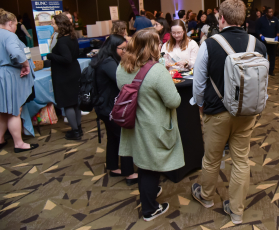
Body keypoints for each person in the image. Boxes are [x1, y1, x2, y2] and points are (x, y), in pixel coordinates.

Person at [190, 0, 267, 225]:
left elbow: (199, 83)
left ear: (221, 18)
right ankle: (237, 211)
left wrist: (201, 104)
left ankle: (206, 197)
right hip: (247, 113)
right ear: (243, 18)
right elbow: (263, 81)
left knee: (212, 159)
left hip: (217, 112)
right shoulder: (258, 44)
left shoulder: (210, 44)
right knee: (241, 160)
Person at [116, 29, 183, 221]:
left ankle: (151, 192)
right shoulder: (156, 70)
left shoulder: (122, 66)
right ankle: (150, 209)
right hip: (152, 125)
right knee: (150, 168)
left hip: (131, 123)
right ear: (153, 46)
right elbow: (173, 101)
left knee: (143, 163)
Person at [91, 34, 138, 185]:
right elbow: (122, 81)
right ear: (113, 47)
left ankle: (113, 167)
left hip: (104, 106)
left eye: (126, 48)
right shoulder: (108, 63)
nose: (124, 51)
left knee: (113, 138)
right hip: (109, 107)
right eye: (122, 49)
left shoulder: (103, 59)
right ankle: (129, 173)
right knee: (124, 138)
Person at [0, 9, 38, 153]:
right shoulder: (9, 36)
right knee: (15, 111)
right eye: (16, 25)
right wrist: (26, 64)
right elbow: (15, 53)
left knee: (3, 110)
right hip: (9, 76)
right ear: (10, 23)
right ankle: (19, 143)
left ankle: (0, 139)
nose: (16, 28)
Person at [47, 14, 82, 140]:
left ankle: (75, 131)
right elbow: (75, 55)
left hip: (64, 75)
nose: (52, 25)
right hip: (74, 72)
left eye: (53, 23)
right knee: (76, 103)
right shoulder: (72, 37)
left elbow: (66, 59)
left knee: (68, 104)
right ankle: (79, 128)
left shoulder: (61, 41)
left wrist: (51, 56)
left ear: (60, 25)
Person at [257, 7, 279, 76]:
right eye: (269, 12)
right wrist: (261, 35)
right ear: (266, 13)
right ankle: (263, 70)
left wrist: (277, 36)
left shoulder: (275, 19)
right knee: (263, 56)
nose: (271, 13)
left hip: (273, 41)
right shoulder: (261, 20)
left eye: (272, 12)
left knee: (272, 56)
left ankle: (271, 70)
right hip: (263, 41)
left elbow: (278, 30)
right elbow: (257, 29)